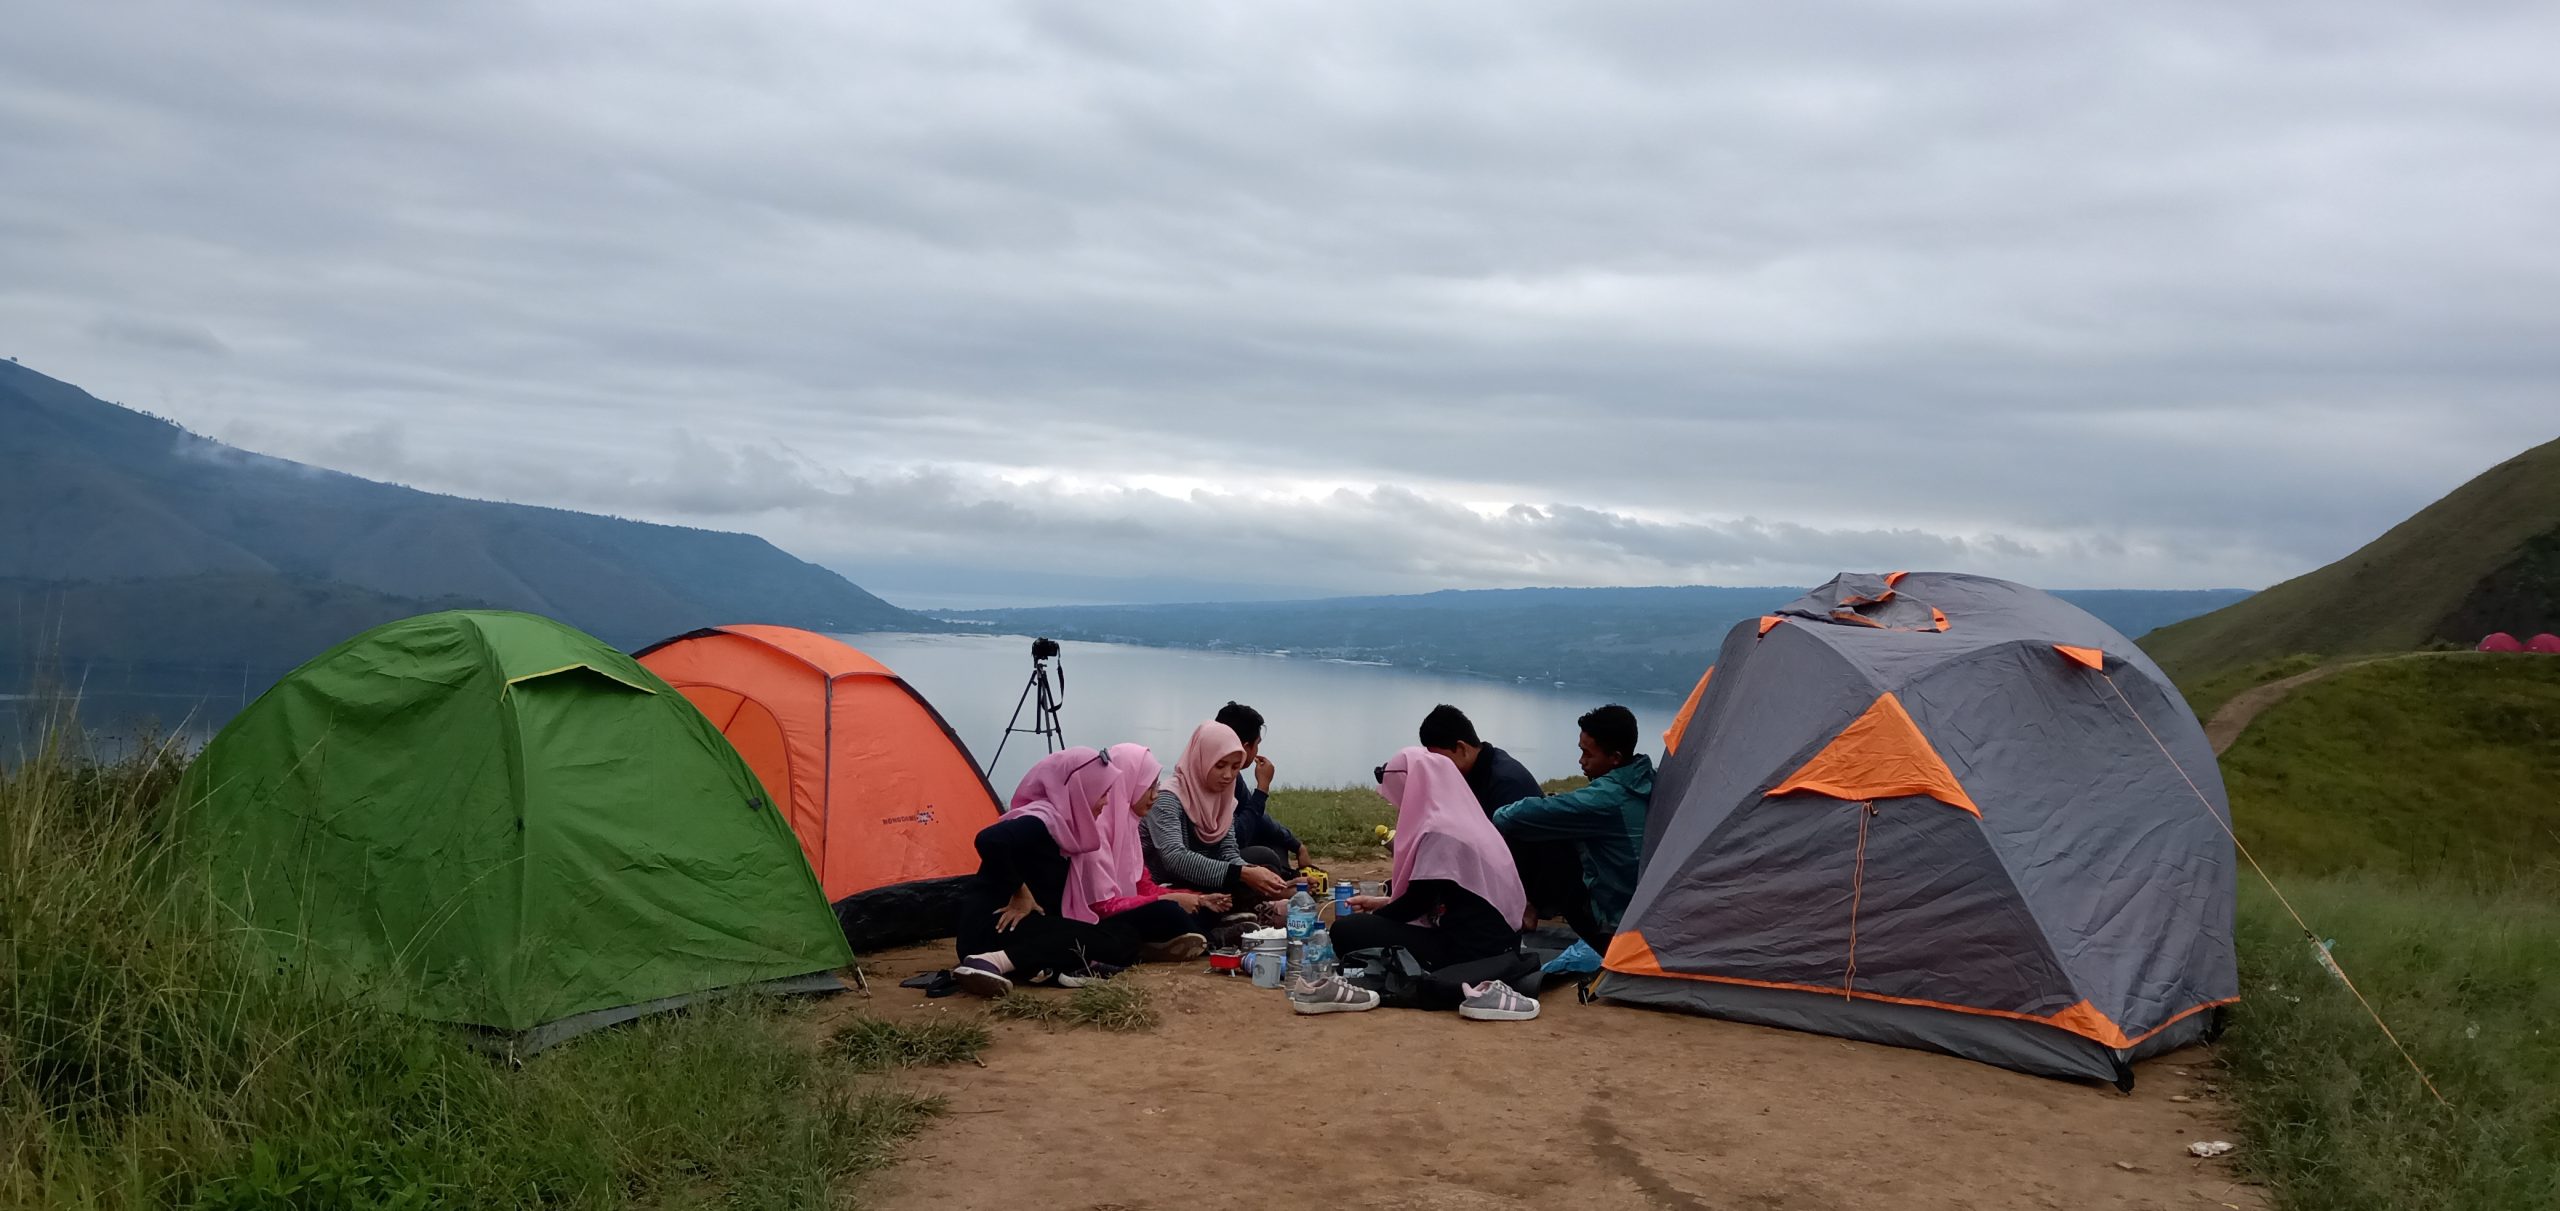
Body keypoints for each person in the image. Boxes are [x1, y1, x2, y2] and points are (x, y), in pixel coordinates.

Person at [950, 747, 1204, 997]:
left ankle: (1048, 969)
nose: (1105, 802)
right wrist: (1020, 892)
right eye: (1100, 793)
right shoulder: (1041, 821)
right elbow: (989, 840)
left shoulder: (1070, 830)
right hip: (994, 924)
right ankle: (989, 962)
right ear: (1079, 790)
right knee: (1082, 937)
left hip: (1028, 924)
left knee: (1120, 938)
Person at [1333, 747, 1529, 972]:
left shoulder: (1438, 832)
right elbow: (1445, 894)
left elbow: (1417, 903)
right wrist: (1384, 904)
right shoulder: (1466, 820)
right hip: (1501, 942)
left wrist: (1377, 918)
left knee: (1347, 930)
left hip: (1471, 952)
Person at [1418, 704, 1597, 944]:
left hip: (1547, 881)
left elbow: (1519, 852)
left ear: (1461, 748)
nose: (1436, 769)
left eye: (1440, 760)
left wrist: (1525, 902)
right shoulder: (1475, 772)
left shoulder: (1506, 782)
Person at [1490, 705, 1654, 954]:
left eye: (1587, 754)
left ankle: (1527, 908)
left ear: (1616, 758)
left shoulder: (1607, 798)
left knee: (1546, 838)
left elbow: (1508, 818)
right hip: (1647, 909)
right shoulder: (1648, 779)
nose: (1581, 761)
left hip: (1616, 922)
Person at [1142, 721, 1296, 909]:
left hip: (1202, 880)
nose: (1228, 775)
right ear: (1201, 761)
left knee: (1265, 866)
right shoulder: (1168, 799)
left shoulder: (1222, 797)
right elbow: (1176, 859)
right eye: (1220, 766)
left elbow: (1228, 851)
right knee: (1179, 909)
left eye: (1234, 767)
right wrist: (1242, 874)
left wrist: (1271, 881)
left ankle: (1268, 896)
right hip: (1162, 886)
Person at [1215, 701, 1309, 871]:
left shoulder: (1233, 779)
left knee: (1277, 841)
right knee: (1266, 855)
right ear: (1245, 747)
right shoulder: (1218, 780)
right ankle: (1282, 882)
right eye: (1256, 743)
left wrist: (1297, 846)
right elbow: (1238, 838)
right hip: (1213, 861)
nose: (1257, 750)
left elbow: (1257, 817)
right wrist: (1262, 789)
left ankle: (1284, 879)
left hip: (1228, 854)